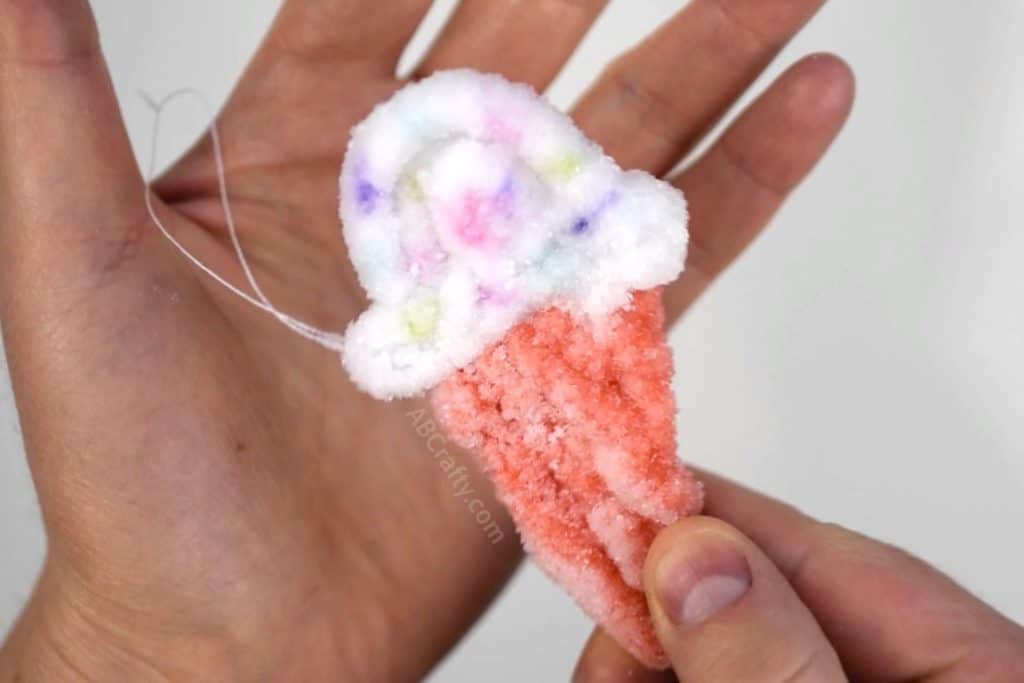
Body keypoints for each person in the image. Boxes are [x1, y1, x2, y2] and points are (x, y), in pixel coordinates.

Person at [0, 1, 1020, 681]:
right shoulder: (474, 320)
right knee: (563, 484)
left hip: (557, 289)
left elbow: (617, 377)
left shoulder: (583, 291)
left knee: (615, 453)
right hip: (501, 315)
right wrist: (140, 651)